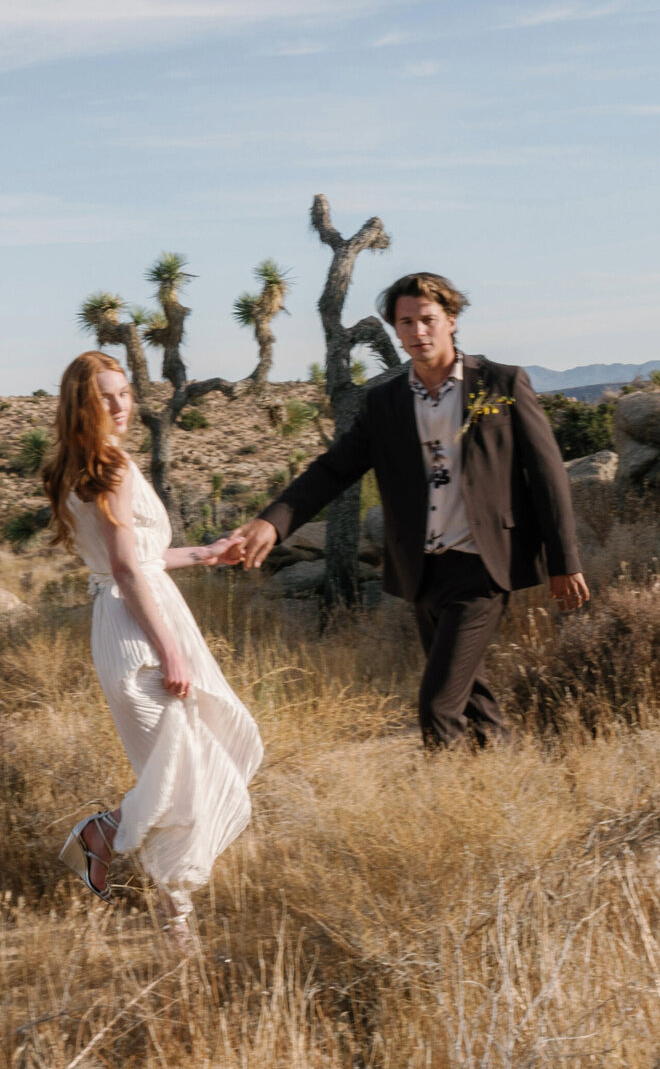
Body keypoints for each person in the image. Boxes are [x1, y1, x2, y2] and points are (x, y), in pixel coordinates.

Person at [237, 273, 589, 750]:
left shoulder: (501, 383)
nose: (418, 331)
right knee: (472, 697)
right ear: (395, 329)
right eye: (406, 323)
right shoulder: (385, 402)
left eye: (428, 319)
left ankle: (442, 789)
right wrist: (272, 521)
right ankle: (504, 771)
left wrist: (565, 561)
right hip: (423, 569)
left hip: (485, 564)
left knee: (438, 704)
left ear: (451, 320)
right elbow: (334, 469)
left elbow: (547, 474)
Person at [43, 351, 262, 947]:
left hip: (129, 617)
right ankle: (145, 885)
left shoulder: (85, 466)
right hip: (139, 629)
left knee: (183, 770)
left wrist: (206, 554)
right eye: (106, 397)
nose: (121, 405)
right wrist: (170, 652)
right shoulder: (110, 467)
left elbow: (140, 558)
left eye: (125, 393)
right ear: (83, 405)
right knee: (184, 772)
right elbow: (126, 569)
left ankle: (147, 886)